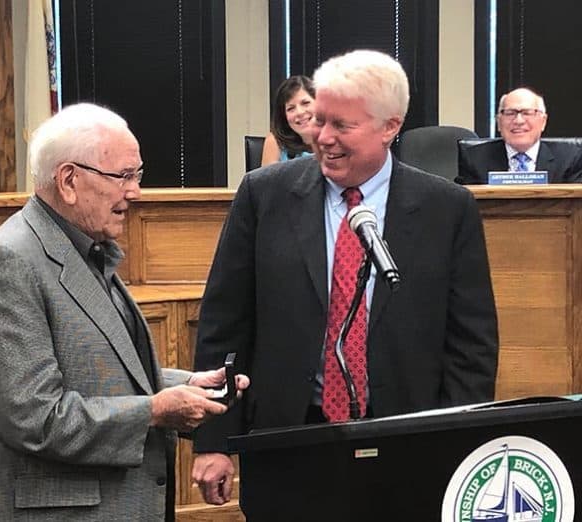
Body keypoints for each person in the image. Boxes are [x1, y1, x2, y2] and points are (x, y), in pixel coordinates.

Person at [191, 50, 498, 511]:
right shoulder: (264, 194)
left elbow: (471, 344)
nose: (323, 138)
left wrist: (457, 440)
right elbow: (224, 321)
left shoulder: (448, 209)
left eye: (342, 126)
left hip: (409, 443)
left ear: (390, 126)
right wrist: (212, 439)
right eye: (319, 120)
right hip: (288, 440)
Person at [0, 103, 248, 521]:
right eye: (123, 176)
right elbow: (35, 418)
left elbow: (94, 372)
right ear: (69, 180)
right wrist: (156, 410)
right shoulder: (8, 262)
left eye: (137, 176)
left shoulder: (87, 250)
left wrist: (191, 384)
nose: (135, 192)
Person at [456, 87, 582, 184]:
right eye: (510, 113)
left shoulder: (570, 159)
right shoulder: (474, 159)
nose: (519, 121)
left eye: (527, 113)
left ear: (543, 121)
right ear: (499, 122)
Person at [260, 75, 316, 166]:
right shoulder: (275, 142)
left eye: (305, 103)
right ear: (284, 116)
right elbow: (267, 180)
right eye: (291, 108)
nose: (300, 112)